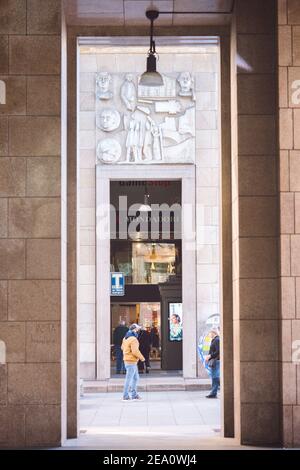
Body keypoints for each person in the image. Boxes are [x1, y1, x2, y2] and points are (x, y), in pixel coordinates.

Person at [121, 323, 145, 401]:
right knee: (129, 379)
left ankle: (134, 395)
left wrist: (127, 352)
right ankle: (125, 396)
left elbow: (122, 347)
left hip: (128, 360)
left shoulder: (125, 337)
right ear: (134, 330)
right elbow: (135, 351)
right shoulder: (134, 339)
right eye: (137, 329)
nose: (138, 331)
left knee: (135, 378)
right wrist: (142, 358)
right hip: (131, 361)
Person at [205, 328, 220, 398]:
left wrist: (210, 356)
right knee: (215, 376)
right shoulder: (214, 340)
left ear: (213, 333)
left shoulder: (217, 340)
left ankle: (213, 393)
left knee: (215, 377)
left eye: (209, 333)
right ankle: (213, 392)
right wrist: (209, 357)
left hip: (216, 361)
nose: (209, 335)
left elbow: (218, 351)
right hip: (214, 360)